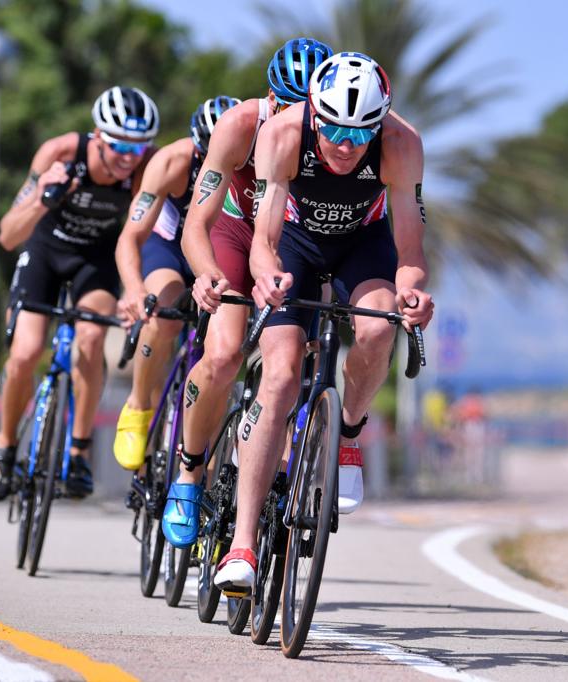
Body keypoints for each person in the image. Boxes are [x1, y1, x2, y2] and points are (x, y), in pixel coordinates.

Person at [213, 51, 434, 591]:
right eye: (333, 126)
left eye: (361, 132)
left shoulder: (401, 145)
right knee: (282, 376)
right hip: (296, 245)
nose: (345, 143)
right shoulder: (284, 134)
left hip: (363, 242)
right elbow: (263, 242)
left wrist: (412, 293)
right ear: (313, 110)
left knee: (379, 327)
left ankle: (350, 434)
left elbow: (409, 254)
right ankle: (241, 547)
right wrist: (264, 277)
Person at [158, 38, 334, 549]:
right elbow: (197, 223)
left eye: (306, 109)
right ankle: (190, 472)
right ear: (269, 96)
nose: (294, 119)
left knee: (299, 362)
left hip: (297, 246)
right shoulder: (240, 124)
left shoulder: (335, 138)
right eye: (285, 104)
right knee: (224, 353)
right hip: (236, 236)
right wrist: (206, 272)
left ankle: (277, 469)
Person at [0, 86, 159, 501]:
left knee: (92, 337)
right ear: (97, 135)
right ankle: (4, 448)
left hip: (94, 261)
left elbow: (145, 237)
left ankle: (78, 449)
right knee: (25, 353)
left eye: (139, 148)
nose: (128, 158)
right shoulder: (60, 153)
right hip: (45, 251)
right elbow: (8, 236)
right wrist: (46, 198)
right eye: (119, 146)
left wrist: (137, 290)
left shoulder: (143, 170)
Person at [112, 96, 241, 470]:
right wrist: (136, 289)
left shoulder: (256, 162)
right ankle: (138, 405)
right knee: (162, 312)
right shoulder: (170, 162)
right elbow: (130, 237)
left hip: (219, 252)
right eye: (207, 152)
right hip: (168, 247)